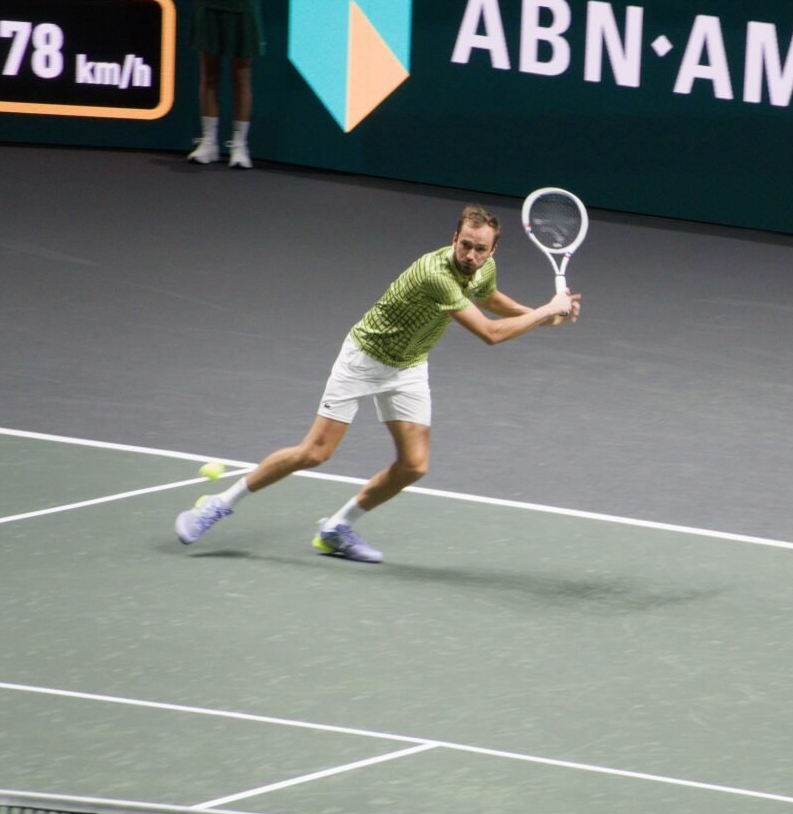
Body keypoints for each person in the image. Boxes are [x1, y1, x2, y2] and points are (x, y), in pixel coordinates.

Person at [175, 204, 582, 561]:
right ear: (454, 238)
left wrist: (545, 315)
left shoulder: (482, 268)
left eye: (481, 249)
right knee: (315, 453)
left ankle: (335, 530)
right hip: (364, 359)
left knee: (414, 465)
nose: (472, 256)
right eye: (466, 246)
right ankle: (218, 503)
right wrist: (547, 309)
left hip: (408, 367)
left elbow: (490, 299)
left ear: (493, 250)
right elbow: (490, 333)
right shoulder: (435, 273)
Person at [182, 0, 272, 168]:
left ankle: (239, 146)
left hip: (244, 3)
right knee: (209, 74)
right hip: (210, 1)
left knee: (241, 75)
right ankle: (209, 143)